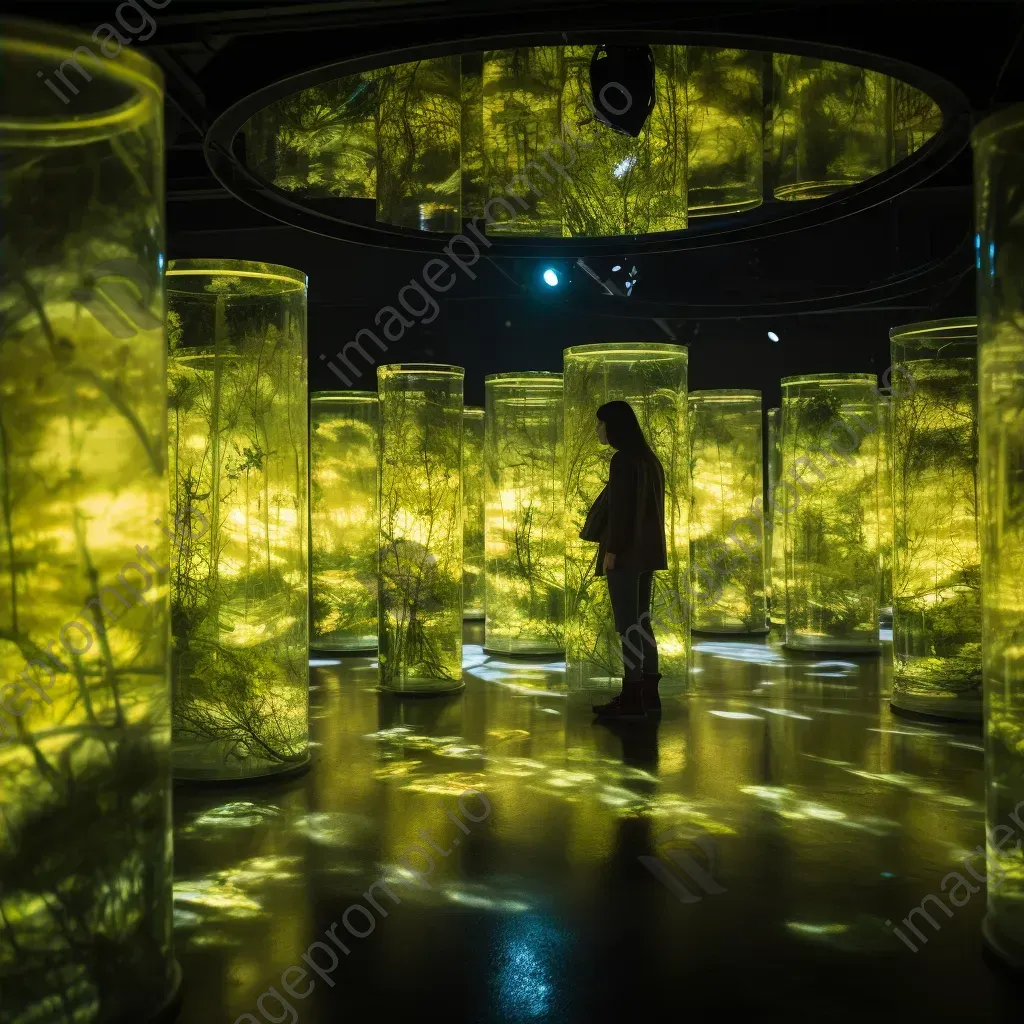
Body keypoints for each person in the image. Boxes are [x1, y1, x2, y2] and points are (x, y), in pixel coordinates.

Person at [585, 400, 667, 718]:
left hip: (626, 554)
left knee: (628, 626)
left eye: (601, 423)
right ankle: (650, 693)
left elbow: (620, 513)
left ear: (614, 427)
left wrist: (612, 552)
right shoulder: (649, 459)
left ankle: (632, 697)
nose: (598, 429)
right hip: (648, 553)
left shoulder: (622, 461)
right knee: (642, 623)